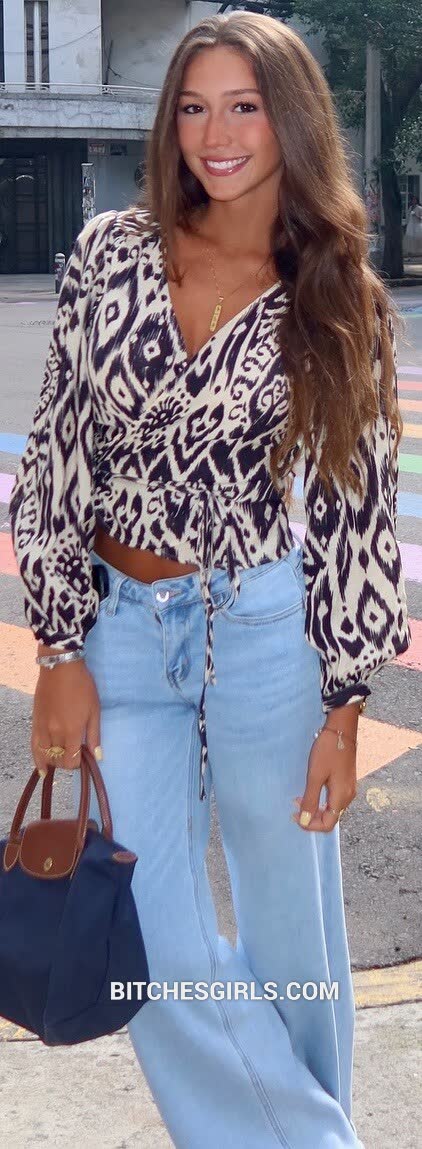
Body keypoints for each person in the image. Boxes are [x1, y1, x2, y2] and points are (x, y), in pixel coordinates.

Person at [9, 12, 411, 1149]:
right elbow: (59, 451)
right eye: (193, 107)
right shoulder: (109, 252)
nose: (215, 134)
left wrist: (345, 705)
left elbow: (355, 505)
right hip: (121, 629)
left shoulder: (333, 290)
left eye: (243, 107)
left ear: (291, 122)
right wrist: (59, 647)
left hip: (265, 628)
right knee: (148, 931)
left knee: (292, 938)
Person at [403, 194, 422, 258]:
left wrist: (416, 215)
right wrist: (406, 224)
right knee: (410, 240)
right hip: (410, 225)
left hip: (417, 226)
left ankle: (418, 254)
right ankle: (410, 255)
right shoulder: (410, 208)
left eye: (415, 200)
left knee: (418, 240)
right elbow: (408, 217)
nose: (413, 201)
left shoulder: (419, 208)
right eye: (412, 200)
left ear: (417, 200)